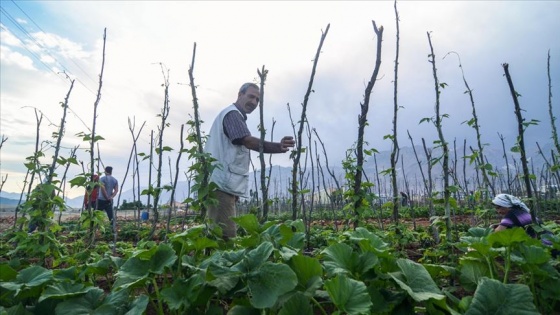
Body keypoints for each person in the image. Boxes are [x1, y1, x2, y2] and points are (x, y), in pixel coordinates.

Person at [204, 82, 295, 239]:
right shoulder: (232, 115)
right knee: (226, 235)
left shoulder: (235, 117)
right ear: (240, 94)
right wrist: (278, 147)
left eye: (258, 100)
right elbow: (248, 141)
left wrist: (234, 190)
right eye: (251, 97)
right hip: (220, 185)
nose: (254, 102)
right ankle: (219, 263)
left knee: (215, 232)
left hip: (222, 184)